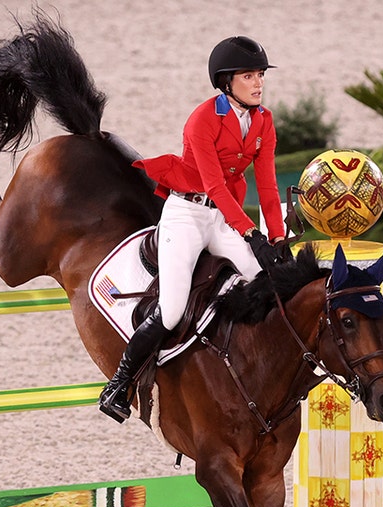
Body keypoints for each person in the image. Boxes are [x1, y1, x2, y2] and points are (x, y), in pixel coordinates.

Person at [98, 35, 287, 423]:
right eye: (249, 76)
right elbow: (214, 185)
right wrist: (253, 234)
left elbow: (267, 186)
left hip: (221, 219)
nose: (258, 83)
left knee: (264, 280)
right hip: (186, 216)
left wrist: (278, 237)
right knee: (170, 310)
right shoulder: (203, 119)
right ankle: (119, 383)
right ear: (225, 82)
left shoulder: (264, 121)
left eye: (260, 75)